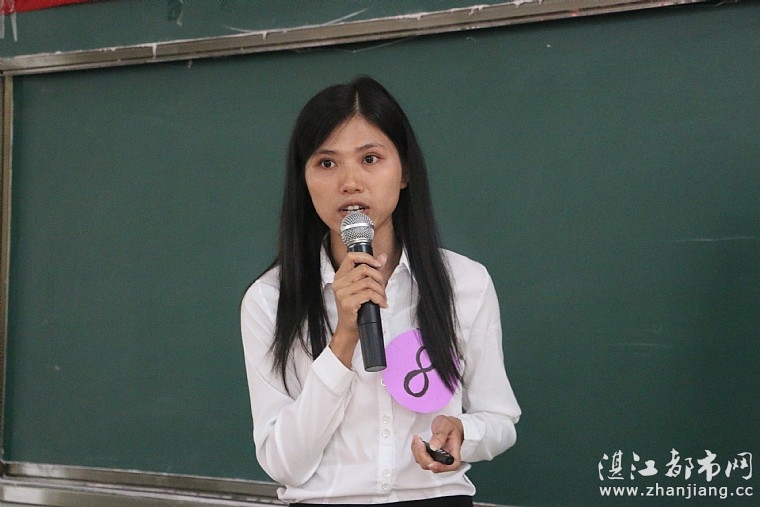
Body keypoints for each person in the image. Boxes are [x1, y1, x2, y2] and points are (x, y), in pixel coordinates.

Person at [240, 76, 520, 506]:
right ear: (304, 179)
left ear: (404, 171)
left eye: (370, 158)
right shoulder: (268, 300)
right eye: (326, 163)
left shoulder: (465, 282)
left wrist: (465, 433)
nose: (350, 182)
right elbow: (284, 464)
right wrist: (343, 340)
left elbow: (500, 419)